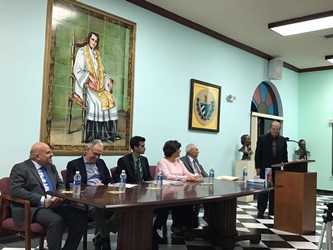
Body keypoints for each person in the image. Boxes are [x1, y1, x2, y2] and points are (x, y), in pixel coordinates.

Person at [9, 142, 87, 250]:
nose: (52, 154)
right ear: (37, 156)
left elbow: (60, 185)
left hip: (54, 204)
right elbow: (16, 190)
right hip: (33, 207)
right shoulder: (20, 168)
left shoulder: (51, 167)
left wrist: (59, 196)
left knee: (80, 216)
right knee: (56, 220)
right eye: (48, 152)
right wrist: (42, 200)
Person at [66, 139, 117, 250]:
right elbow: (70, 184)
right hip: (85, 198)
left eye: (100, 155)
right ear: (87, 150)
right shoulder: (74, 164)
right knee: (96, 209)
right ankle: (105, 239)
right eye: (95, 154)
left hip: (103, 196)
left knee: (125, 208)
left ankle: (100, 236)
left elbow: (109, 179)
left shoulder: (101, 163)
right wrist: (92, 188)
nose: (97, 157)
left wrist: (111, 186)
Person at [73, 31, 120, 143]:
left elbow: (101, 72)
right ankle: (94, 136)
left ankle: (109, 134)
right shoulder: (82, 52)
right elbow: (77, 70)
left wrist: (108, 79)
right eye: (92, 40)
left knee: (112, 101)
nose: (94, 42)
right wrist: (89, 77)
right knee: (96, 103)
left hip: (98, 86)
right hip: (85, 85)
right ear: (89, 39)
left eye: (96, 41)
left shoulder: (97, 54)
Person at [154, 140, 201, 237]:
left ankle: (184, 226)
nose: (180, 151)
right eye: (178, 149)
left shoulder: (179, 161)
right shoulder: (162, 162)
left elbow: (186, 173)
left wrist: (195, 176)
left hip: (179, 191)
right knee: (179, 203)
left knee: (188, 203)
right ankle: (176, 227)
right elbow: (168, 176)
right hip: (165, 193)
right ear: (172, 151)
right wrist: (185, 178)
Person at [255, 121, 288, 218]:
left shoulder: (282, 140)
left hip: (277, 169)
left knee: (275, 190)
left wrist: (286, 167)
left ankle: (272, 210)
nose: (275, 131)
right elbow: (258, 154)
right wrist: (257, 167)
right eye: (273, 129)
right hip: (265, 168)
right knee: (264, 190)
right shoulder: (262, 138)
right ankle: (261, 210)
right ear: (270, 128)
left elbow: (284, 156)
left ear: (279, 130)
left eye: (277, 129)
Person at [180, 143, 209, 224]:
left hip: (199, 183)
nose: (198, 152)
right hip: (189, 185)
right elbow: (185, 174)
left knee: (210, 195)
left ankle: (208, 216)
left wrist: (209, 179)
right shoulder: (182, 160)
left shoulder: (195, 160)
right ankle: (193, 219)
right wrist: (197, 177)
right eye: (196, 150)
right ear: (190, 151)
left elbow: (201, 171)